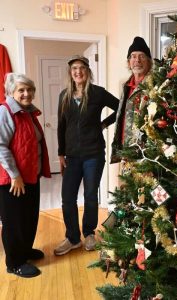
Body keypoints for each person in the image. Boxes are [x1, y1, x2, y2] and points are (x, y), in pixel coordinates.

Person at [54, 55, 119, 256]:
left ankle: (89, 233)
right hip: (72, 157)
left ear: (88, 71)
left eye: (82, 68)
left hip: (93, 154)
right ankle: (73, 238)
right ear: (70, 72)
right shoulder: (64, 95)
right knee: (67, 198)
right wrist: (61, 153)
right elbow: (61, 126)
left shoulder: (97, 93)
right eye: (74, 68)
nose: (78, 71)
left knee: (90, 196)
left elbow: (120, 107)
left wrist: (104, 124)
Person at [0, 73, 51, 278]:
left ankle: (25, 251)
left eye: (29, 89)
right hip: (14, 180)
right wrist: (15, 175)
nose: (26, 93)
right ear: (11, 92)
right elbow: (1, 146)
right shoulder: (5, 112)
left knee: (29, 217)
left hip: (30, 175)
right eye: (21, 90)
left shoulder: (27, 112)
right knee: (14, 222)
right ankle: (14, 262)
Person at [111, 36, 152, 163]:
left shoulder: (153, 85)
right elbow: (121, 113)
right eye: (133, 56)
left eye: (142, 56)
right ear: (129, 62)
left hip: (144, 152)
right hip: (124, 148)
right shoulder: (125, 85)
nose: (137, 60)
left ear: (148, 61)